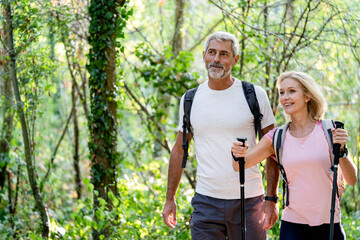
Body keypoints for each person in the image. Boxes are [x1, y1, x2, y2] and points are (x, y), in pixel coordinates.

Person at [162, 31, 280, 240]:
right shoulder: (190, 99)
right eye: (212, 52)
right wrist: (170, 198)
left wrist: (271, 198)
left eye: (224, 54)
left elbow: (273, 148)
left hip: (249, 201)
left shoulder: (254, 94)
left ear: (235, 59)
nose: (216, 59)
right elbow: (179, 150)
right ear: (204, 55)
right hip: (206, 203)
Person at [232, 71, 358, 240]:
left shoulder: (330, 130)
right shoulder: (276, 137)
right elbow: (240, 165)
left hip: (329, 224)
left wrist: (341, 151)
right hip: (292, 225)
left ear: (307, 96)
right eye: (282, 92)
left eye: (292, 91)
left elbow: (352, 179)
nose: (285, 97)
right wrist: (237, 153)